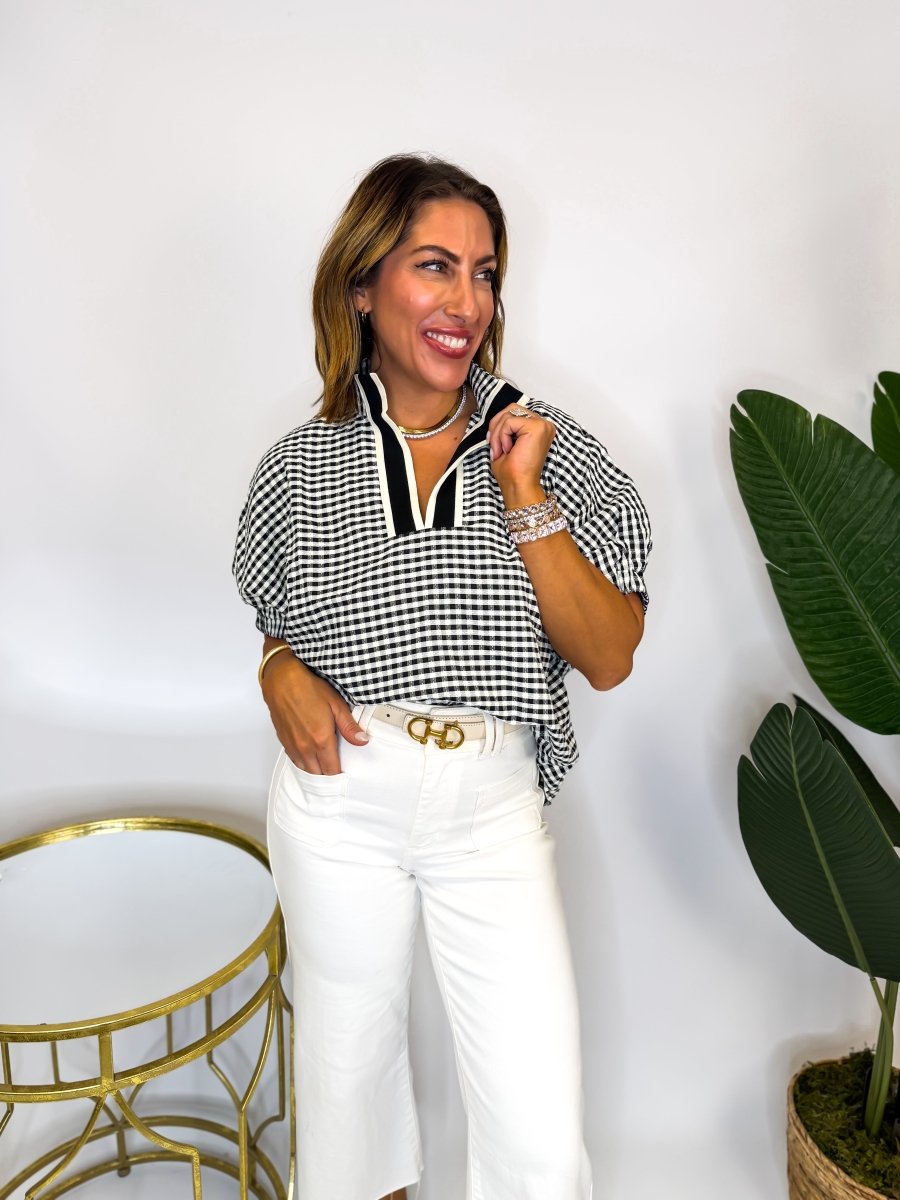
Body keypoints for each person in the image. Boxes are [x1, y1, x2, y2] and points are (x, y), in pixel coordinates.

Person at [233, 153, 650, 1200]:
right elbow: (276, 617)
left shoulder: (545, 445)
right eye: (435, 266)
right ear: (362, 284)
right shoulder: (298, 465)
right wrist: (276, 665)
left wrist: (526, 496)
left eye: (485, 272)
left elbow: (609, 656)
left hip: (489, 808)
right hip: (338, 799)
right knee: (348, 1100)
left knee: (538, 1138)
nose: (467, 301)